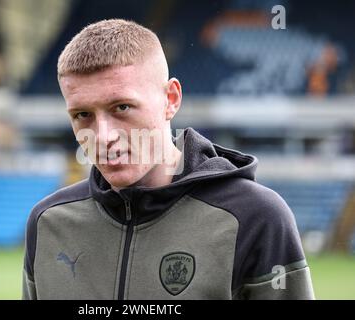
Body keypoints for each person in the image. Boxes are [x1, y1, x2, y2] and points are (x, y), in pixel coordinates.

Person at [22, 19, 315, 300]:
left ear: (171, 99)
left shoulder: (256, 218)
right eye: (82, 115)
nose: (102, 136)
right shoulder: (49, 223)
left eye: (122, 107)